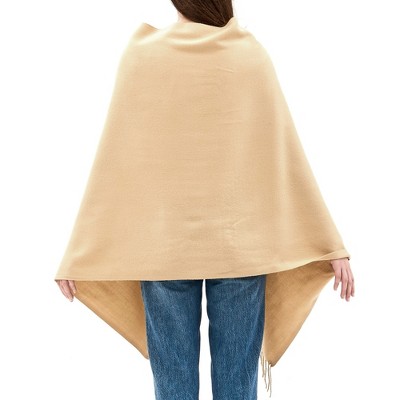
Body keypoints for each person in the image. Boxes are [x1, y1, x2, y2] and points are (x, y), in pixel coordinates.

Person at [55, 1, 355, 399]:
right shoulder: (249, 56)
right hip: (239, 250)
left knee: (173, 385)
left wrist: (79, 251)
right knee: (237, 387)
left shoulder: (142, 57)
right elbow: (284, 157)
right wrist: (327, 242)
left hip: (164, 250)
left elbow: (115, 162)